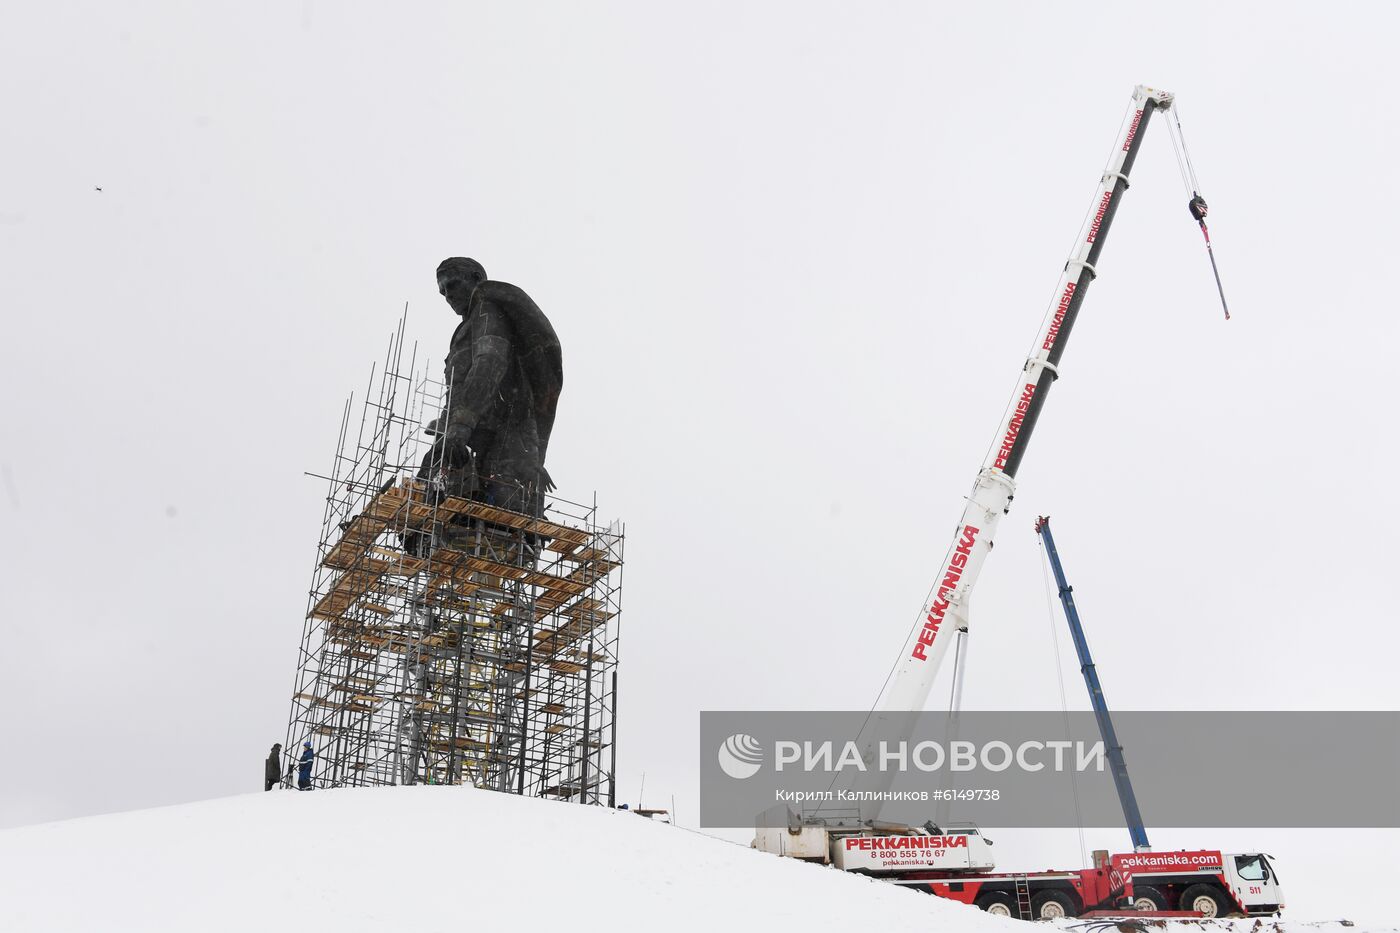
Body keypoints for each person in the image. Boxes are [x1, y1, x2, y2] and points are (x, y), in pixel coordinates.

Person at [419, 258, 562, 519]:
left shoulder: (486, 309)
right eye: (443, 291)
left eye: (452, 285)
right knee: (433, 501)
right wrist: (447, 421)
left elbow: (489, 364)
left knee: (487, 517)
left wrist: (460, 426)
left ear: (476, 278)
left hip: (496, 436)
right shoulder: (469, 324)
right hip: (474, 433)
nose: (448, 296)